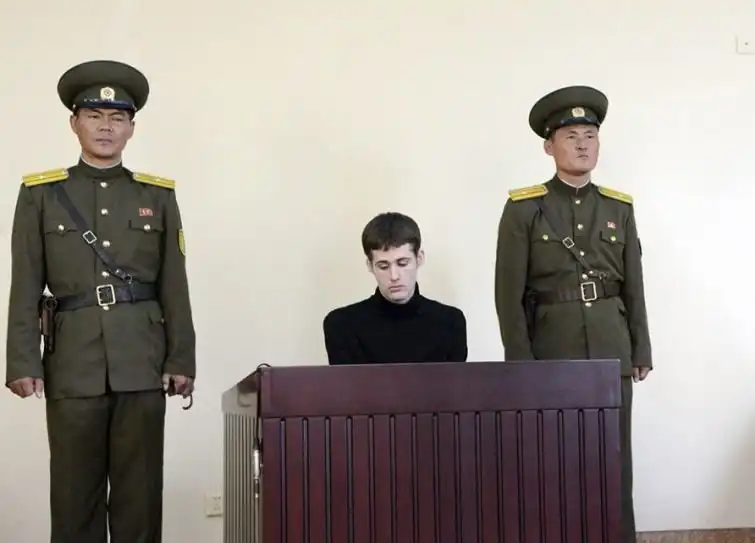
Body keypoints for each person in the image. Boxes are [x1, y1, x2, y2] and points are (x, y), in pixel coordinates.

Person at [4, 59, 196, 543]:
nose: (105, 127)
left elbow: (175, 283)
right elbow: (25, 283)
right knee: (74, 499)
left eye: (117, 118)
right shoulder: (41, 195)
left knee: (140, 498)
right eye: (94, 116)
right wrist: (22, 361)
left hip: (142, 360)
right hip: (73, 362)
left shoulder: (158, 196)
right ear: (74, 123)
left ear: (131, 128)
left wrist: (181, 358)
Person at [493, 85, 652, 542]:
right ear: (549, 146)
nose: (583, 145)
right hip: (550, 349)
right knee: (553, 461)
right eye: (570, 136)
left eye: (590, 136)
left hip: (611, 348)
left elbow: (634, 284)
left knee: (614, 463)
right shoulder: (524, 208)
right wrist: (519, 362)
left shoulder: (618, 208)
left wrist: (640, 348)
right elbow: (508, 292)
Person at [323, 212, 467, 365]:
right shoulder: (341, 325)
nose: (394, 276)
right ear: (370, 266)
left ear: (419, 259)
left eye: (402, 263)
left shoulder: (451, 322)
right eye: (383, 266)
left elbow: (455, 381)